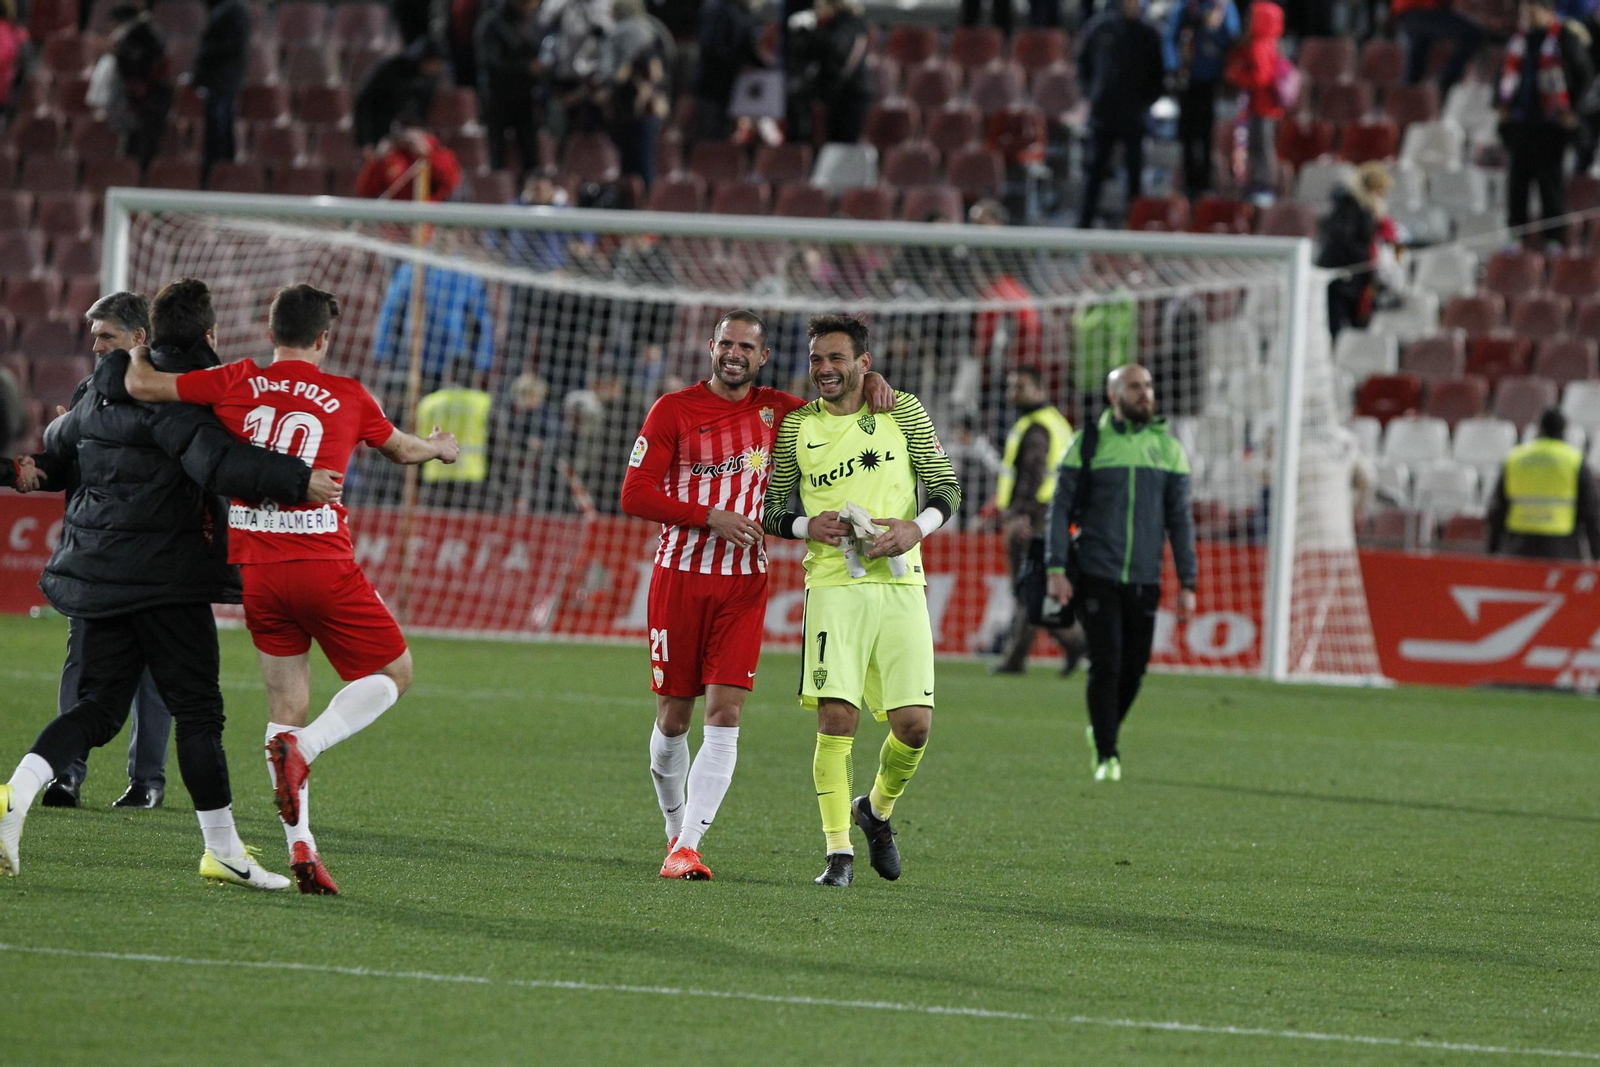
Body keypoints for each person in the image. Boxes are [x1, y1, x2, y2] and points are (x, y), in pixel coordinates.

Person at [113, 283, 460, 895]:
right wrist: (438, 448)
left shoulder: (237, 379)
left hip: (259, 575)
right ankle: (309, 748)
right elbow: (402, 451)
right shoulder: (349, 394)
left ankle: (302, 847)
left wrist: (138, 349)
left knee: (284, 711)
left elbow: (142, 386)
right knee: (395, 672)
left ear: (270, 332)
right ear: (324, 338)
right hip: (323, 565)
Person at [0, 278, 340, 888]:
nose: (97, 346)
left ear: (144, 336)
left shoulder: (95, 391)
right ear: (208, 334)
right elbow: (217, 462)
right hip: (165, 576)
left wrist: (24, 464)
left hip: (98, 572)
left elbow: (56, 451)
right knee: (200, 711)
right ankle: (223, 851)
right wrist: (299, 478)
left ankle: (15, 793)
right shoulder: (183, 395)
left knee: (98, 707)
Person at [619, 310, 894, 880]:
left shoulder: (780, 411)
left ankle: (689, 847)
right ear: (711, 347)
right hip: (679, 577)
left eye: (746, 347)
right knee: (673, 720)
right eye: (727, 344)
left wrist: (870, 380)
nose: (734, 354)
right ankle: (675, 829)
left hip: (744, 583)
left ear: (762, 357)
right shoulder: (673, 410)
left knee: (725, 714)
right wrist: (710, 516)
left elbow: (837, 402)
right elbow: (635, 494)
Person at [762, 314, 962, 888]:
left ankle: (874, 811)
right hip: (833, 587)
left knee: (915, 727)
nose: (824, 369)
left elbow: (946, 487)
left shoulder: (903, 410)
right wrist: (806, 525)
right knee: (836, 718)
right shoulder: (797, 428)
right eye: (816, 359)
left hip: (901, 583)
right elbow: (772, 510)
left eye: (836, 359)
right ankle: (838, 853)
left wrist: (915, 528)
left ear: (863, 364)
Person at [16, 294, 176, 810]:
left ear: (139, 338)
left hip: (152, 555)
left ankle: (147, 782)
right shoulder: (90, 391)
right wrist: (33, 469)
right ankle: (64, 774)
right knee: (81, 660)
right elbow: (68, 463)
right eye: (95, 336)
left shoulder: (168, 394)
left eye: (107, 336)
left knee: (152, 667)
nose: (96, 346)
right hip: (95, 553)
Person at [1044, 364, 1196, 782]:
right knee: (1107, 663)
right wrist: (1056, 567)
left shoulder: (1169, 449)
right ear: (1114, 396)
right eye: (1134, 386)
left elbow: (1180, 521)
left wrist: (1188, 582)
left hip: (1145, 577)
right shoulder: (1088, 443)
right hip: (1096, 572)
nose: (1145, 393)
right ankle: (1107, 754)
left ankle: (1102, 728)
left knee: (1135, 670)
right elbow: (1060, 509)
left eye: (1148, 385)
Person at [991, 367, 1086, 677]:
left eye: (1020, 387)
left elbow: (1033, 474)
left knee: (1028, 588)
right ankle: (1073, 641)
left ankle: (1018, 659)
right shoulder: (1054, 422)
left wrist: (1020, 514)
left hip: (1035, 517)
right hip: (1053, 514)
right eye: (1010, 386)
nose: (1012, 393)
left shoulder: (1036, 428)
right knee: (1034, 589)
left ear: (1040, 388)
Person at [1498, 0, 1593, 247]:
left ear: (1549, 12)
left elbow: (1586, 78)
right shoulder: (1519, 40)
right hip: (1521, 124)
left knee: (1550, 184)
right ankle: (1516, 237)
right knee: (1517, 185)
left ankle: (1554, 240)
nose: (1528, 17)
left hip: (1551, 126)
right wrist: (1502, 106)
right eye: (1525, 12)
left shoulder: (1566, 39)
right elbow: (1505, 76)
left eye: (1533, 11)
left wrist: (1573, 111)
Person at [1075, 0, 1165, 228]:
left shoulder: (1148, 33)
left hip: (1133, 116)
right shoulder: (1099, 27)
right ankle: (1083, 226)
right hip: (1102, 114)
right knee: (1094, 171)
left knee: (1134, 174)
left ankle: (1135, 226)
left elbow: (1158, 75)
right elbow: (1083, 65)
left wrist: (1143, 103)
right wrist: (1092, 94)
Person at [1486, 407, 1600, 559]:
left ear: (1540, 428)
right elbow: (1591, 512)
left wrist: (1492, 548)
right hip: (1560, 548)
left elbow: (1497, 508)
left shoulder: (1515, 458)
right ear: (1564, 430)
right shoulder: (1575, 460)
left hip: (1519, 546)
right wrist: (1596, 553)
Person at [1164, 0, 1239, 196]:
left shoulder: (1223, 6)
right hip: (1187, 79)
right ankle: (1189, 182)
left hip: (1211, 80)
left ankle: (1205, 183)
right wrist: (1174, 67)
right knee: (1187, 133)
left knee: (1206, 133)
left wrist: (1217, 27)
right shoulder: (1186, 6)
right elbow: (1170, 38)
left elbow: (1232, 41)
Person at [1317, 163, 1399, 339]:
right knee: (1337, 328)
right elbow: (1343, 242)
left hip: (1354, 278)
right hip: (1343, 279)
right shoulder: (1349, 208)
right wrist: (1370, 257)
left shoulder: (1361, 208)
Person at [601, 0, 672, 185]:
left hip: (631, 108)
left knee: (632, 164)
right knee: (643, 163)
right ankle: (644, 197)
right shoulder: (651, 31)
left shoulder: (618, 33)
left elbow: (610, 73)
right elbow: (660, 72)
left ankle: (636, 198)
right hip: (643, 109)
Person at [476, 0, 546, 177]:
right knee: (497, 157)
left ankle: (532, 191)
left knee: (531, 155)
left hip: (524, 97)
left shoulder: (528, 21)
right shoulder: (492, 22)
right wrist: (526, 67)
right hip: (497, 97)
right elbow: (491, 63)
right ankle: (498, 192)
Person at [788, 0, 873, 144]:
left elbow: (836, 48)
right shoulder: (834, 25)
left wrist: (810, 33)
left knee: (843, 143)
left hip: (849, 93)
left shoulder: (848, 23)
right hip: (838, 92)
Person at [1224, 0, 1286, 196]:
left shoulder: (1260, 45)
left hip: (1263, 106)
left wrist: (1236, 75)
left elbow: (1261, 78)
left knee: (1262, 147)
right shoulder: (1270, 42)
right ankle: (1256, 184)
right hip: (1261, 106)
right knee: (1258, 146)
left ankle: (1264, 186)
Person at [106, 3, 172, 172]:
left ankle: (140, 174)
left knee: (145, 142)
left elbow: (153, 65)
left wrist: (140, 84)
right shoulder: (143, 33)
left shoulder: (141, 35)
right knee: (134, 140)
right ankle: (134, 172)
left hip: (150, 96)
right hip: (140, 96)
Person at [353, 37, 451, 151]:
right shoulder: (389, 69)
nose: (438, 68)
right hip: (380, 133)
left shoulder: (428, 79)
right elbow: (364, 102)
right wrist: (366, 141)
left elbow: (423, 110)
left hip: (411, 135)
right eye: (436, 63)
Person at [690, 0, 766, 143]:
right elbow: (711, 47)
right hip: (713, 84)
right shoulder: (715, 9)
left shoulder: (745, 12)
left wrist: (762, 65)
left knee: (729, 132)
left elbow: (748, 46)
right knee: (710, 132)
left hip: (736, 86)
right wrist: (738, 64)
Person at [192, 0, 251, 176]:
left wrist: (204, 56)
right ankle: (219, 170)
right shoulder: (226, 10)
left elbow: (227, 45)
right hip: (221, 79)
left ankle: (219, 171)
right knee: (218, 126)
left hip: (222, 79)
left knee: (220, 127)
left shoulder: (230, 11)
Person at [1392, 0, 1485, 96]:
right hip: (1422, 10)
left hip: (1410, 14)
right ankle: (1444, 83)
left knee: (1416, 65)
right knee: (1473, 35)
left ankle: (1409, 91)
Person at [355, 126, 463, 200]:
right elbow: (365, 191)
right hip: (393, 220)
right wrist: (376, 159)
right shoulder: (391, 156)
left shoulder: (439, 153)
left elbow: (450, 184)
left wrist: (428, 155)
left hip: (429, 218)